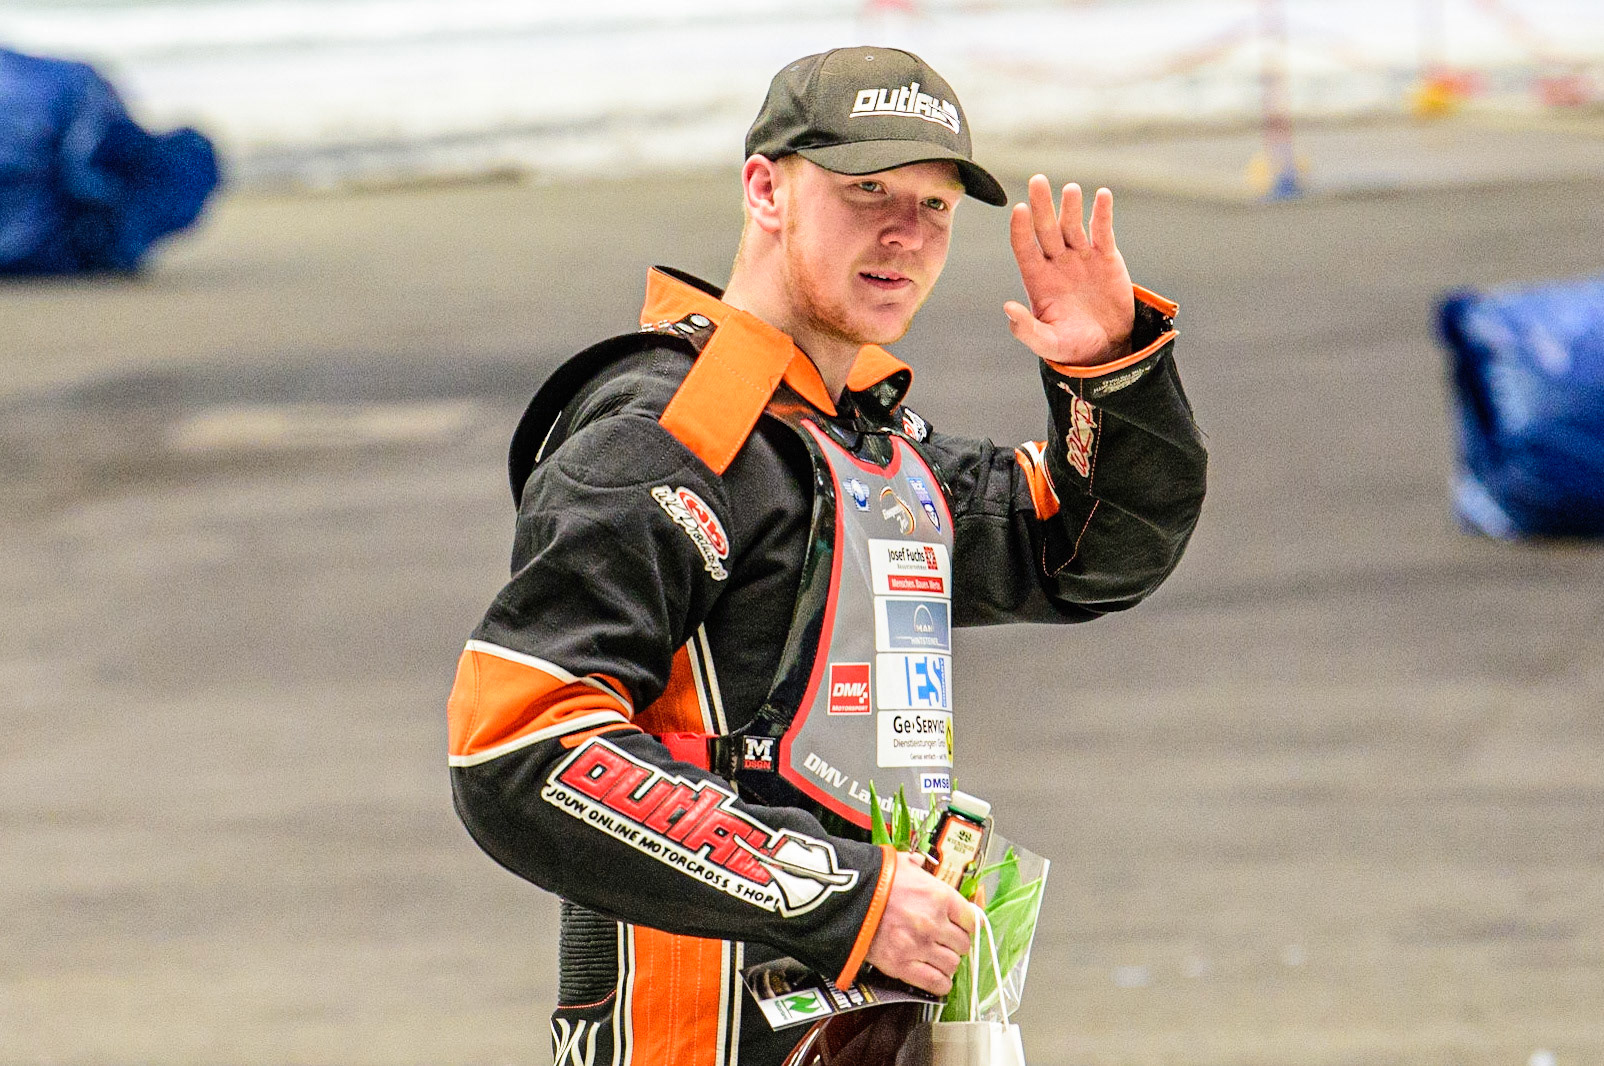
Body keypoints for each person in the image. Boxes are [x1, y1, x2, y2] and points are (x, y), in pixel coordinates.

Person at [447, 45, 1206, 1066]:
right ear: (765, 187)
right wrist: (834, 892)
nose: (905, 233)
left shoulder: (870, 449)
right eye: (866, 192)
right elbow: (518, 747)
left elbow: (1087, 551)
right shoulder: (661, 439)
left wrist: (1105, 371)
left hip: (857, 1030)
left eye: (935, 207)